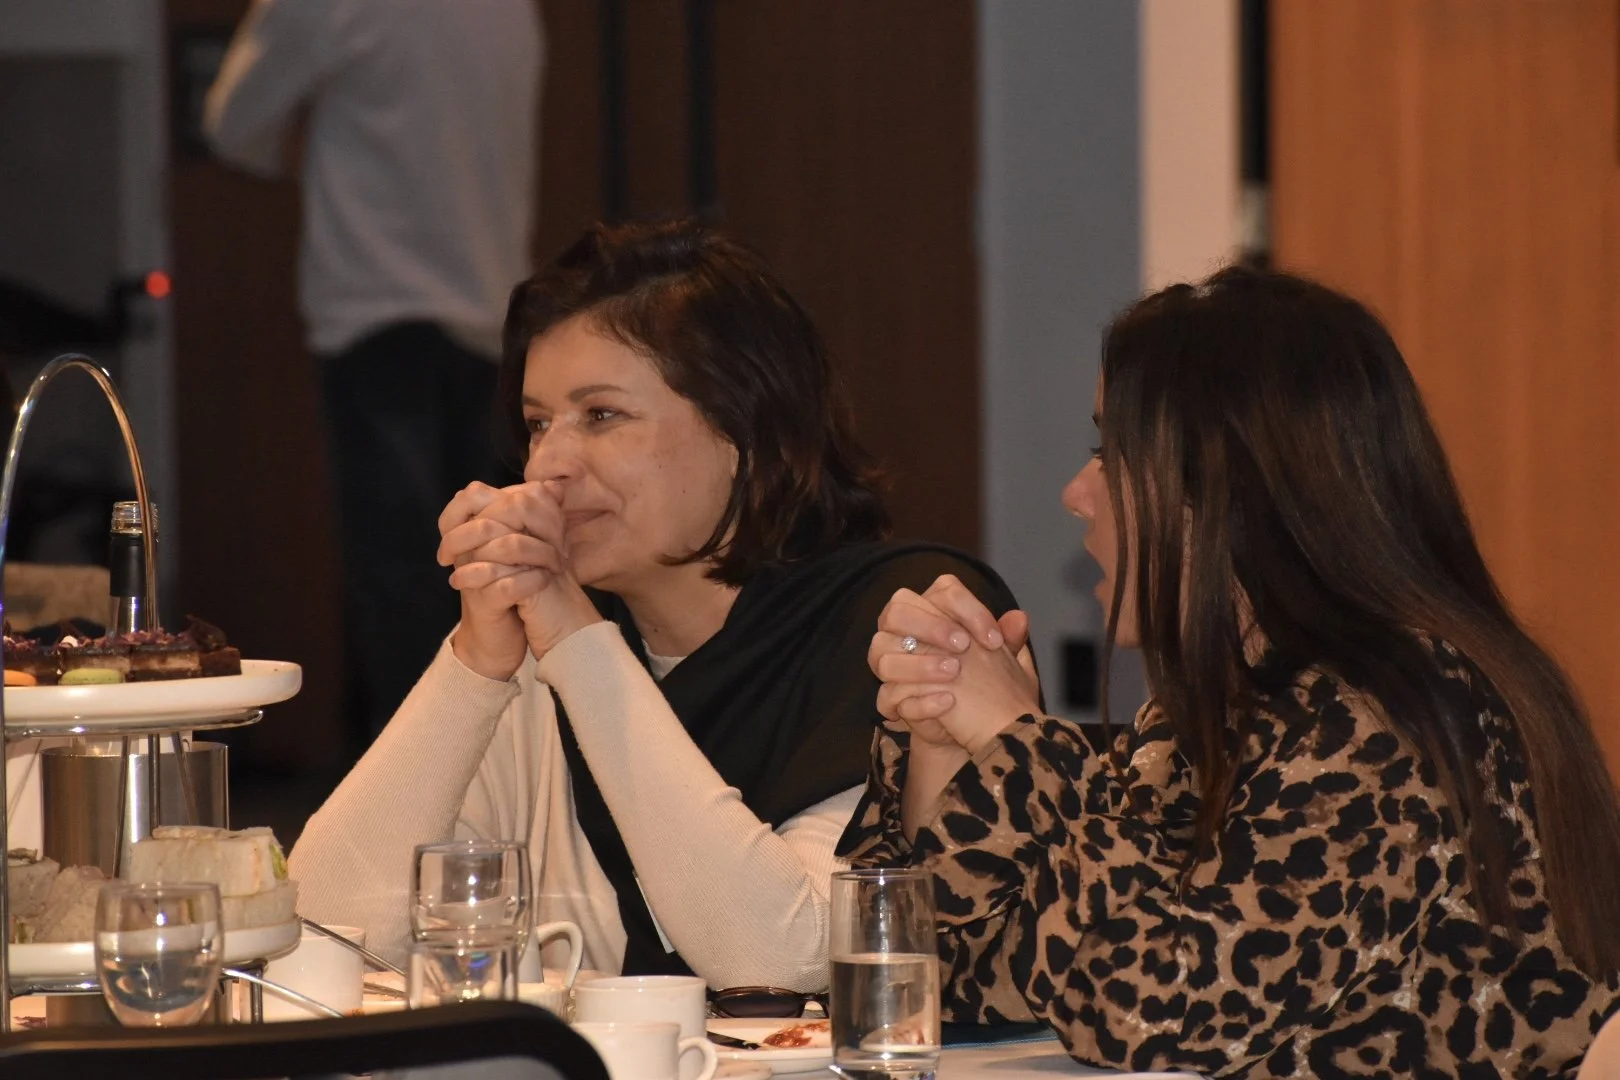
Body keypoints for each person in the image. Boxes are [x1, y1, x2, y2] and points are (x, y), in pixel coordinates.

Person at [845, 267, 1620, 1076]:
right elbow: (977, 986)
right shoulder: (1206, 720)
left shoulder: (1396, 716)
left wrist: (1017, 742)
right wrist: (941, 740)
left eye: (1112, 454)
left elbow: (1160, 1014)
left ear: (1226, 488)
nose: (1078, 494)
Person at [287, 220, 1023, 990]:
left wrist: (575, 636)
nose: (548, 466)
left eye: (600, 416)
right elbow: (324, 932)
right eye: (538, 424)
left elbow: (786, 960)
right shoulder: (537, 661)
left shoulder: (896, 624)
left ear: (743, 431)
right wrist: (474, 663)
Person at [203, 0, 543, 745]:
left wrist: (309, 137)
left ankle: (414, 810)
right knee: (495, 577)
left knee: (402, 586)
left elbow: (233, 123)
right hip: (494, 309)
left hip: (379, 308)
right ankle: (499, 804)